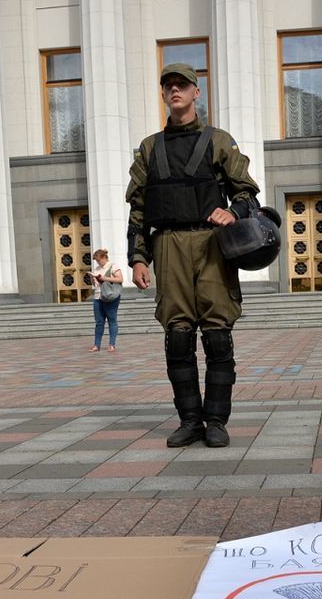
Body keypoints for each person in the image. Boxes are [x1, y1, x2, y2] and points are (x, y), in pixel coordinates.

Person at [126, 62, 261, 448]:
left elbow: (247, 192)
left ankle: (216, 420)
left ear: (196, 92)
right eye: (168, 86)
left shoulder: (219, 141)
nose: (174, 91)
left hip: (211, 245)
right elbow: (138, 210)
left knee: (217, 336)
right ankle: (189, 420)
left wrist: (232, 212)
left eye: (182, 85)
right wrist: (138, 257)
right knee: (178, 337)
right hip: (167, 246)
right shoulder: (150, 148)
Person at [89, 248, 122, 353]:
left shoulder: (113, 266)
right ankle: (96, 345)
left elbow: (120, 279)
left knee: (112, 320)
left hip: (110, 296)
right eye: (96, 261)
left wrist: (105, 278)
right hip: (98, 296)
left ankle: (112, 344)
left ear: (104, 257)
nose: (98, 262)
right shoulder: (97, 268)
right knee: (99, 322)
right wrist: (92, 278)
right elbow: (95, 285)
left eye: (99, 260)